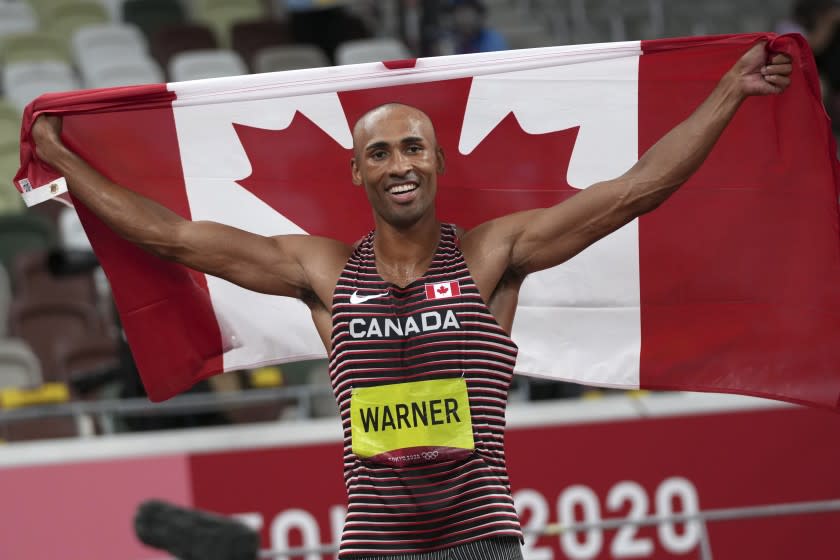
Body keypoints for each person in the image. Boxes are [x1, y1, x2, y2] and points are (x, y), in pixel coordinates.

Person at [30, 42, 791, 559]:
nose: (401, 164)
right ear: (356, 172)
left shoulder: (493, 254)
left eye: (414, 147)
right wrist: (62, 162)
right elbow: (174, 238)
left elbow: (635, 192)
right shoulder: (323, 273)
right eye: (381, 152)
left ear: (438, 160)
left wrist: (728, 90)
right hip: (374, 546)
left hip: (482, 543)